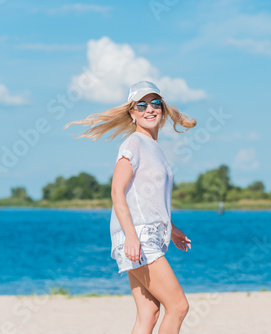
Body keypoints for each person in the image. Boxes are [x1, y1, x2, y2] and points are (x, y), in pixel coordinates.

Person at [63, 80, 196, 333]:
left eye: (155, 103)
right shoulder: (133, 143)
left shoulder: (153, 147)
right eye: (141, 105)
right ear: (132, 112)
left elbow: (149, 200)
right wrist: (132, 237)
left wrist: (172, 228)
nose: (150, 109)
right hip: (138, 236)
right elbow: (117, 192)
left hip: (146, 233)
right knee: (178, 307)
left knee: (149, 312)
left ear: (163, 109)